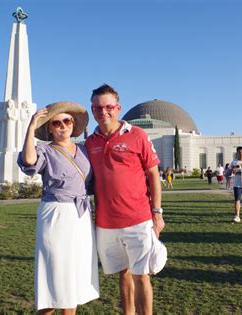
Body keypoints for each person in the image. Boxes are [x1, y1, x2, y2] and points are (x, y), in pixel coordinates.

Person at [85, 84, 164, 315]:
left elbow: (153, 175)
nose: (104, 112)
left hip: (138, 219)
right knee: (124, 272)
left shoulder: (136, 134)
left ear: (118, 108)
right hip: (106, 223)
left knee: (142, 275)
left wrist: (157, 212)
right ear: (93, 110)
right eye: (98, 108)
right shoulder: (91, 143)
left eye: (109, 107)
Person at [17, 101, 99, 313]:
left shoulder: (84, 149)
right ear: (49, 128)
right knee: (54, 270)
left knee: (74, 270)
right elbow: (28, 161)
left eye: (67, 120)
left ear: (73, 124)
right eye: (57, 123)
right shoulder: (45, 150)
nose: (63, 125)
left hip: (81, 213)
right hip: (56, 213)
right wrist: (31, 126)